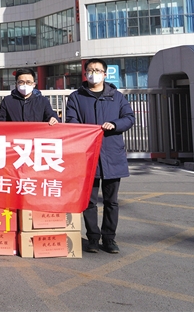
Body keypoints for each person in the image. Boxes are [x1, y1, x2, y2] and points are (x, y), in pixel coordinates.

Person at [65, 58, 135, 255]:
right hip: (87, 156)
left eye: (97, 70)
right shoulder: (76, 97)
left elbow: (129, 118)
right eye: (90, 70)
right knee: (89, 201)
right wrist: (84, 130)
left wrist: (115, 124)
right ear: (85, 74)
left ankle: (109, 238)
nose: (93, 73)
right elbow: (71, 120)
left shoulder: (116, 97)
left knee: (112, 201)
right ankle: (93, 238)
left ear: (105, 74)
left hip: (112, 154)